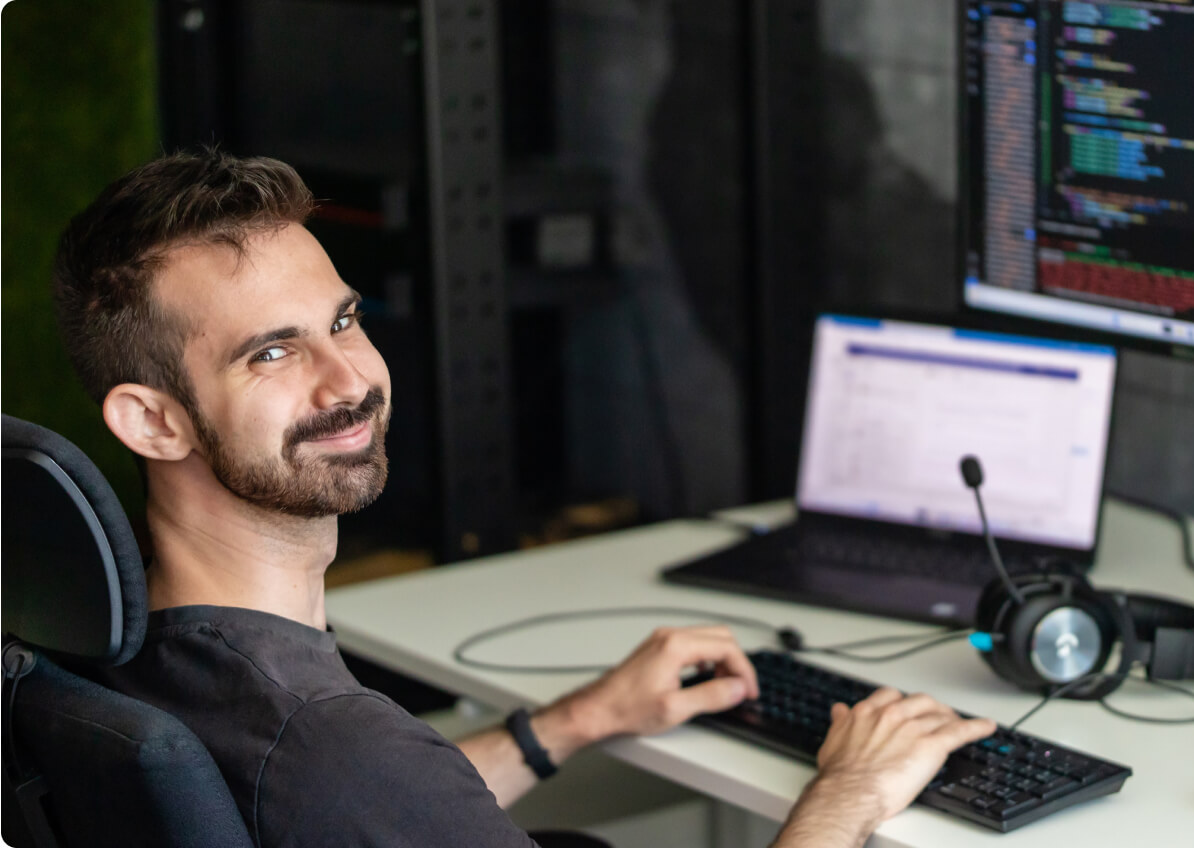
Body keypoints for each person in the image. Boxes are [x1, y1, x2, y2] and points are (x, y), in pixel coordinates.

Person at [52, 150, 998, 848]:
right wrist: (849, 793)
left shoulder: (126, 653)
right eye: (271, 352)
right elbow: (361, 782)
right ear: (153, 422)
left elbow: (375, 813)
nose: (350, 380)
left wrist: (577, 720)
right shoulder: (328, 740)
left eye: (343, 320)